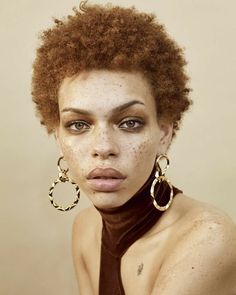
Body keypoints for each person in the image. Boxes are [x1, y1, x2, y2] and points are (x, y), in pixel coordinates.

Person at [32, 1, 236, 294]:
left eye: (129, 123)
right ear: (57, 136)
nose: (103, 147)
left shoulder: (208, 238)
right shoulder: (86, 228)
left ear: (163, 133)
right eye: (78, 124)